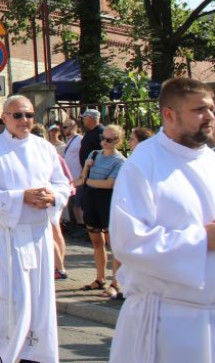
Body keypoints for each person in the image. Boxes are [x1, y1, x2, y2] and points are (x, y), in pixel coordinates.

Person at [109, 77, 215, 362]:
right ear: (169, 114)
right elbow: (128, 242)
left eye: (211, 109)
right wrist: (204, 239)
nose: (210, 117)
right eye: (199, 110)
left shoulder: (211, 161)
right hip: (167, 321)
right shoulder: (143, 165)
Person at [0, 95, 70, 363]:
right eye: (17, 115)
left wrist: (54, 198)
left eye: (28, 115)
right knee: (11, 298)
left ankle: (36, 354)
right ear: (4, 118)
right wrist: (19, 197)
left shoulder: (44, 148)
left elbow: (62, 184)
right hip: (7, 235)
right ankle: (4, 353)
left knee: (39, 299)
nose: (24, 120)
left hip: (37, 234)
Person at [73, 123, 126, 299]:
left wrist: (87, 182)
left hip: (107, 200)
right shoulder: (94, 154)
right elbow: (83, 176)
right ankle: (99, 278)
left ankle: (116, 282)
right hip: (92, 199)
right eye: (102, 138)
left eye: (109, 140)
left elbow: (109, 183)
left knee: (114, 245)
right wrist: (87, 168)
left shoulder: (120, 161)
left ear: (117, 141)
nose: (104, 142)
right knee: (96, 241)